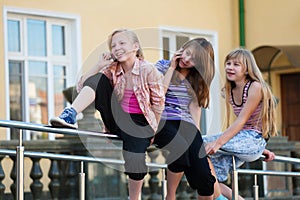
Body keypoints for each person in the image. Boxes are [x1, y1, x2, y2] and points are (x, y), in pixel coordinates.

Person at [50, 29, 165, 200]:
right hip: (117, 117)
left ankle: (134, 197)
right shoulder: (112, 69)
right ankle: (70, 114)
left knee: (135, 157)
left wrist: (154, 130)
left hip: (141, 122)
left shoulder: (148, 70)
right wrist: (98, 65)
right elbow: (82, 86)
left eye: (122, 43)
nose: (116, 47)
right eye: (113, 45)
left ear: (135, 47)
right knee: (97, 79)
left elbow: (158, 103)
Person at [203, 48, 278, 200]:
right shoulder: (229, 90)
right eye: (228, 63)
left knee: (199, 145)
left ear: (247, 69)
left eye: (236, 64)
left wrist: (218, 143)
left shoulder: (255, 87)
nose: (230, 67)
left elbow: (242, 121)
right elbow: (241, 128)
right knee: (204, 173)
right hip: (243, 140)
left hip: (254, 139)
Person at [153, 38, 217, 200]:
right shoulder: (162, 66)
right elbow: (158, 94)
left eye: (193, 59)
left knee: (206, 180)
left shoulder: (197, 80)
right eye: (187, 53)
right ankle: (171, 195)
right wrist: (172, 67)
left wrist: (196, 141)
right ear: (182, 49)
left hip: (186, 124)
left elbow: (195, 110)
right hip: (163, 118)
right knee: (180, 149)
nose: (187, 60)